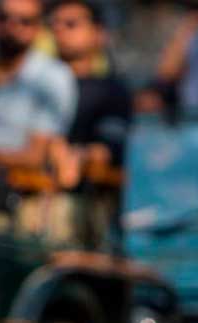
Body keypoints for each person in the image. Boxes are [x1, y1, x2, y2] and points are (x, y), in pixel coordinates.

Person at [48, 0, 133, 248]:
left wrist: (77, 157)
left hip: (84, 203)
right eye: (55, 24)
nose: (60, 31)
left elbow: (108, 149)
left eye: (71, 24)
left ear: (98, 33)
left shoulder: (111, 90)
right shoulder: (38, 84)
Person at [0, 0, 77, 172]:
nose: (12, 26)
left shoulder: (54, 77)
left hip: (12, 186)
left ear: (39, 28)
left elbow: (34, 157)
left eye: (25, 21)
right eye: (4, 17)